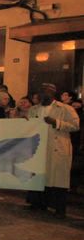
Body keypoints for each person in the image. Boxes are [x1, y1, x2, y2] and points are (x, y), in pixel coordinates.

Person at [27, 83, 80, 217]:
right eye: (40, 91)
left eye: (46, 91)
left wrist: (56, 122)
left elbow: (75, 126)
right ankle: (38, 204)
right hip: (38, 147)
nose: (43, 94)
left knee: (57, 179)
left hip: (57, 147)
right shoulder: (34, 109)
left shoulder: (65, 109)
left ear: (53, 93)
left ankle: (59, 209)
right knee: (39, 176)